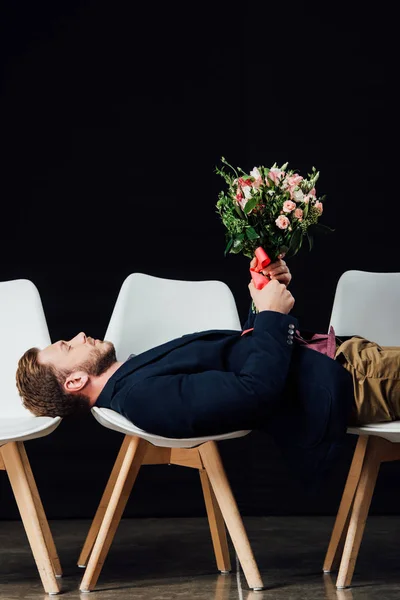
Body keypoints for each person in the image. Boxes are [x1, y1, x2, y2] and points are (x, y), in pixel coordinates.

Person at [15, 258, 358, 485]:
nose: (78, 337)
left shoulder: (134, 376)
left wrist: (261, 302)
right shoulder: (141, 399)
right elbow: (253, 392)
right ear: (75, 381)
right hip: (353, 378)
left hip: (340, 357)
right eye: (67, 347)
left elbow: (234, 364)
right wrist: (272, 318)